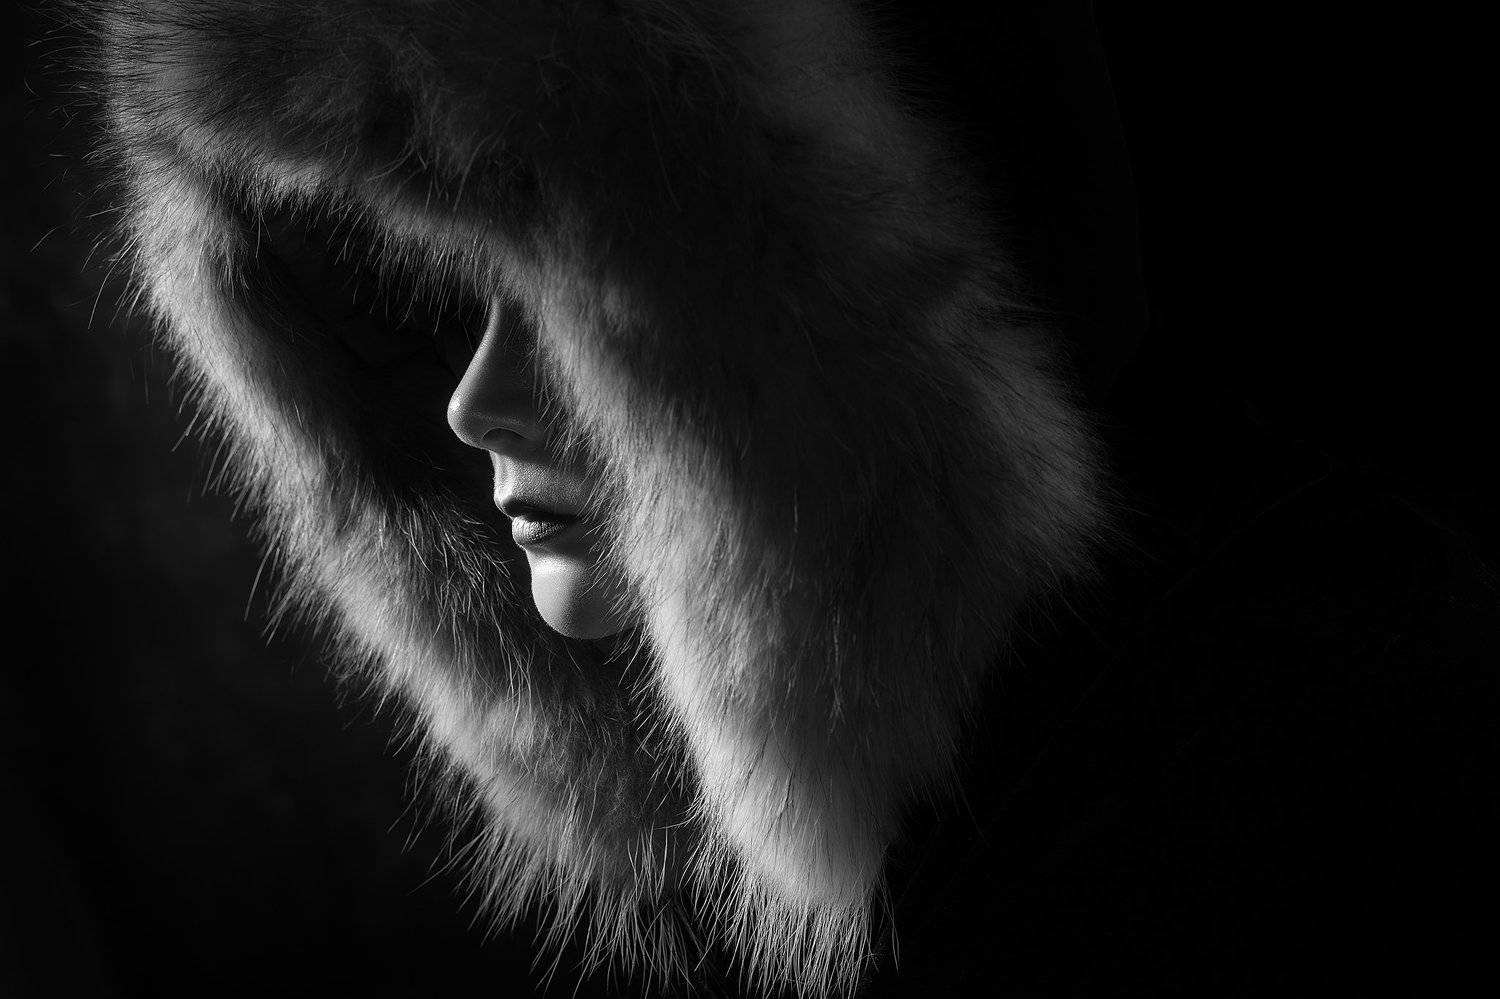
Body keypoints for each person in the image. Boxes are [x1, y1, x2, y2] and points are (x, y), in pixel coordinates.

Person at [73, 0, 1495, 995]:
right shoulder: (900, 883)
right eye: (438, 298)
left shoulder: (1298, 793)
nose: (472, 404)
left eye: (569, 297)